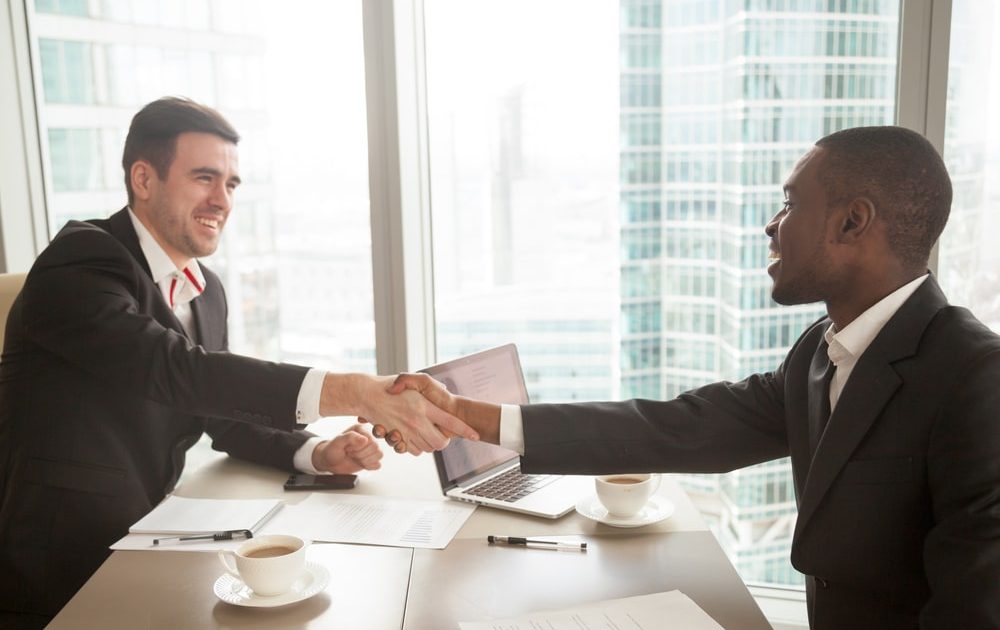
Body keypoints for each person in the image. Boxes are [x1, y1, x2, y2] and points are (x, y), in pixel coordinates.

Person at [380, 126, 1000, 629]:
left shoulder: (975, 377)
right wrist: (471, 417)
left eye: (790, 203)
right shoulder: (821, 350)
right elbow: (682, 427)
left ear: (852, 222)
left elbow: (974, 610)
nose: (772, 225)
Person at [0, 96, 477, 627]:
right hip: (61, 561)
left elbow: (217, 410)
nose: (221, 200)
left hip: (153, 537)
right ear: (144, 179)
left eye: (231, 184)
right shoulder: (80, 262)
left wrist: (317, 454)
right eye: (204, 178)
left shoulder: (207, 292)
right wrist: (353, 391)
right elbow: (175, 369)